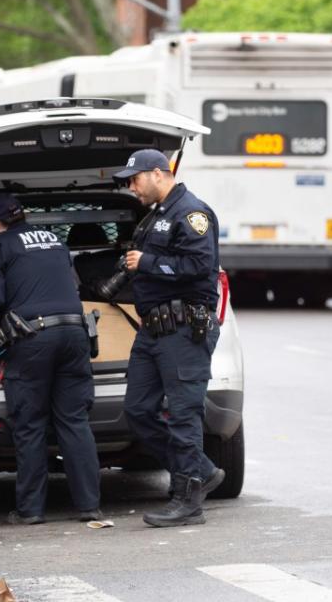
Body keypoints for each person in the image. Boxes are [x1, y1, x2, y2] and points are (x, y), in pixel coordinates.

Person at [0, 193, 101, 525]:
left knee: (30, 426)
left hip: (33, 340)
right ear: (24, 216)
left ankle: (31, 510)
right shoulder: (55, 242)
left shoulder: (0, 246)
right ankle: (89, 506)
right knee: (74, 420)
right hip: (75, 334)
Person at [113, 148, 224, 528]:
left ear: (159, 173)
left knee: (183, 414)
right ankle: (202, 470)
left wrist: (145, 261)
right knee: (138, 410)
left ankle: (188, 498)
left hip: (183, 329)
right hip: (154, 330)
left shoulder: (191, 213)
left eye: (134, 179)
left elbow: (199, 266)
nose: (131, 187)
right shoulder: (156, 216)